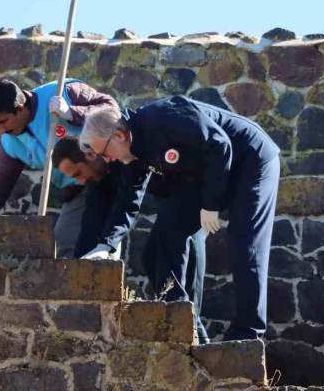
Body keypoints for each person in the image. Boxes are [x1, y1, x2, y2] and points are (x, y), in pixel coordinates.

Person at [79, 96, 280, 341]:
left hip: (249, 159)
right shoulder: (132, 153)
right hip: (207, 174)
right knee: (163, 237)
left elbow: (219, 144)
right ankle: (184, 324)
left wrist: (210, 205)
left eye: (104, 152)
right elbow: (127, 201)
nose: (107, 160)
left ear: (118, 136)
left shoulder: (164, 118)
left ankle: (247, 333)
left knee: (244, 243)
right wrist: (106, 245)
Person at [51, 137, 210, 343]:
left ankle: (197, 342)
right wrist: (82, 269)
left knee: (177, 274)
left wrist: (107, 244)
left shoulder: (125, 156)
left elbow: (126, 205)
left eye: (79, 173)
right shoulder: (100, 179)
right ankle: (194, 338)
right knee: (152, 260)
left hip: (190, 194)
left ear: (91, 155)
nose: (81, 181)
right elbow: (92, 223)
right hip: (170, 202)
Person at [0, 77, 118, 259]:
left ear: (20, 109)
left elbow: (112, 110)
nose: (0, 131)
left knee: (105, 242)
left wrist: (72, 113)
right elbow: (0, 187)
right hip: (77, 190)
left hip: (105, 174)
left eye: (3, 122)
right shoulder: (10, 143)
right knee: (63, 244)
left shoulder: (62, 92)